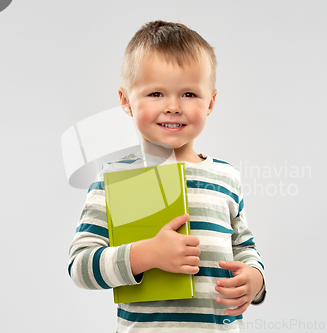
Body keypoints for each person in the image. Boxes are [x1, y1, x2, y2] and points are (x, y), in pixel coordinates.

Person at [68, 20, 266, 332]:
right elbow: (80, 266)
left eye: (189, 94)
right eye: (156, 93)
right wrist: (145, 255)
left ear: (210, 102)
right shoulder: (118, 179)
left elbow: (244, 246)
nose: (173, 107)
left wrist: (256, 280)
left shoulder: (226, 177)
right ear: (126, 101)